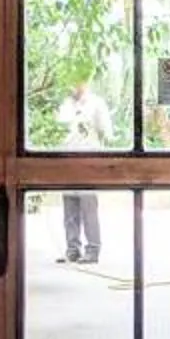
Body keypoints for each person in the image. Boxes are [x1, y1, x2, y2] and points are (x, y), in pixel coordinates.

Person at [59, 80, 109, 262]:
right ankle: (72, 248)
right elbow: (59, 129)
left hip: (88, 159)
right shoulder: (66, 104)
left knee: (88, 205)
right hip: (66, 159)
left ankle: (93, 249)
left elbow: (105, 131)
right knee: (69, 204)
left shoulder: (96, 103)